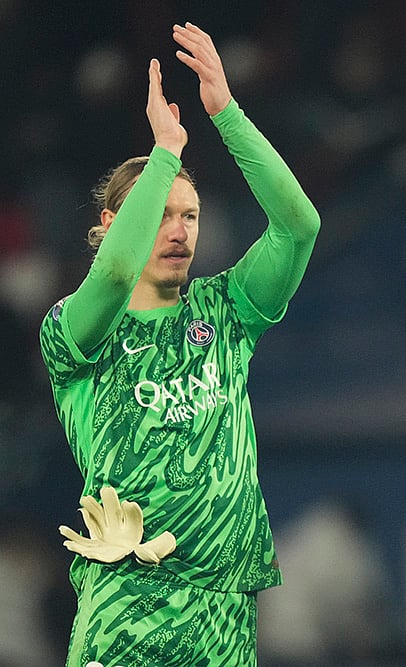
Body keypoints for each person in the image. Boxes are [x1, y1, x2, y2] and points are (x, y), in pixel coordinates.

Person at [38, 23, 321, 666]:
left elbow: (300, 226)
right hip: (130, 603)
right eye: (159, 213)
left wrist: (226, 112)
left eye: (188, 214)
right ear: (112, 226)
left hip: (225, 607)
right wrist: (165, 153)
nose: (178, 230)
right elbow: (111, 274)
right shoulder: (74, 331)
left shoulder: (226, 311)